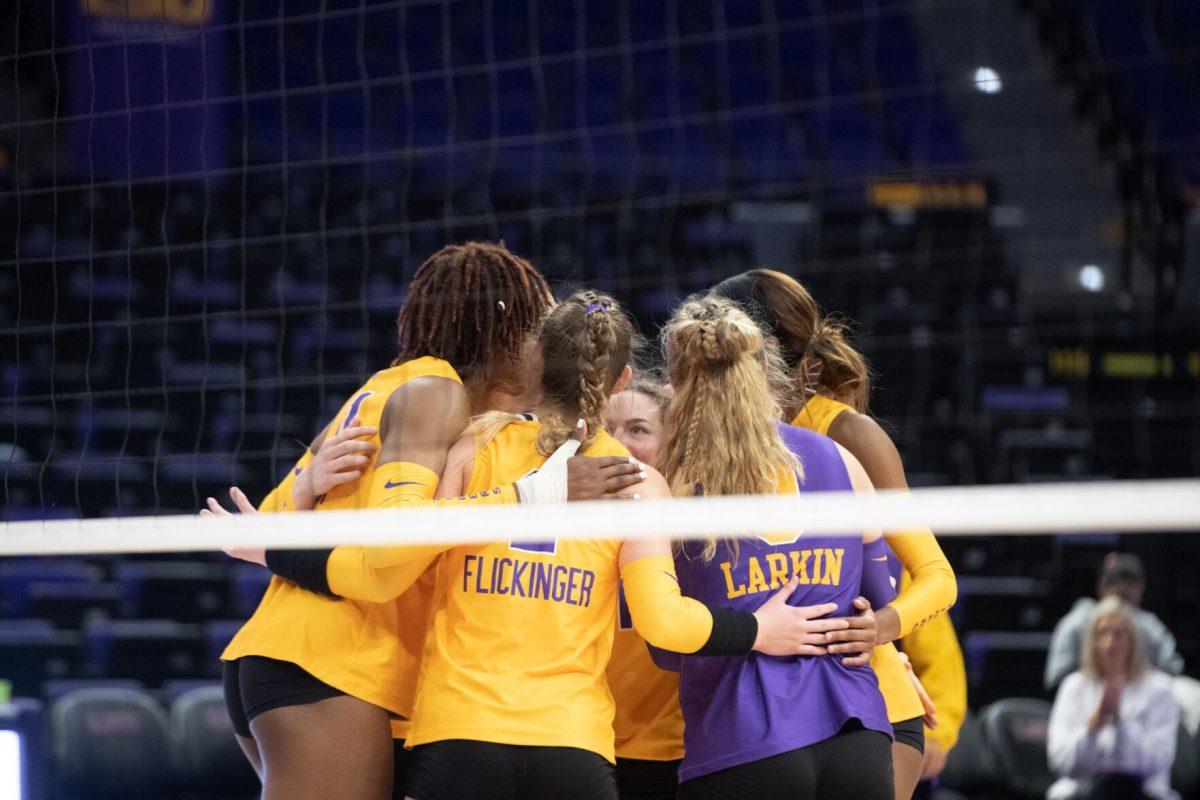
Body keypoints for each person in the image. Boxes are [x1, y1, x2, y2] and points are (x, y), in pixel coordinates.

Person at [267, 290, 880, 800]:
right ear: (619, 380)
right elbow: (665, 626)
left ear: (531, 367)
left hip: (460, 733)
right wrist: (756, 632)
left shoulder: (476, 446)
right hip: (575, 749)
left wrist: (282, 546)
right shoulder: (641, 484)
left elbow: (396, 561)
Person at [211, 244, 642, 800]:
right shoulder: (434, 393)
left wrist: (301, 490)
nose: (549, 351)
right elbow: (384, 556)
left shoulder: (392, 388)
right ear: (506, 327)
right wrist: (542, 495)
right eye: (541, 329)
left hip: (297, 654)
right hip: (336, 661)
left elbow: (260, 523)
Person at [712, 268, 960, 799]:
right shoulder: (711, 440)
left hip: (867, 708)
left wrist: (884, 632)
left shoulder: (848, 435)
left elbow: (934, 576)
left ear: (785, 365)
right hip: (765, 714)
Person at [652, 295, 896, 800]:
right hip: (857, 735)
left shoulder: (671, 482)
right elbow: (879, 594)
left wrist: (753, 627)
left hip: (744, 740)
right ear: (766, 370)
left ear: (674, 387)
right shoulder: (840, 459)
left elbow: (664, 646)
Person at [603, 377, 682, 800]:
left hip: (667, 752)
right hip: (581, 744)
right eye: (606, 428)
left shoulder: (694, 521)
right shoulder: (556, 513)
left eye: (638, 429)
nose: (618, 444)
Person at [1047, 597, 1180, 800]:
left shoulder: (1159, 688)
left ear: (1133, 640)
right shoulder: (1073, 686)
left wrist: (1121, 725)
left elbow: (1158, 762)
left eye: (1119, 634)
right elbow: (1061, 762)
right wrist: (1093, 727)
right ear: (1091, 641)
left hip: (1144, 793)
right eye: (1103, 633)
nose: (1110, 643)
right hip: (1082, 792)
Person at [1045, 553, 1183, 693]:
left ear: (1142, 588)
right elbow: (1056, 681)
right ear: (1100, 586)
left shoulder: (1150, 626)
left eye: (1130, 582)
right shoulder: (1077, 622)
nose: (1122, 589)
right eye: (1113, 582)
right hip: (1086, 705)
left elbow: (1172, 673)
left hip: (1140, 706)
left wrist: (1134, 682)